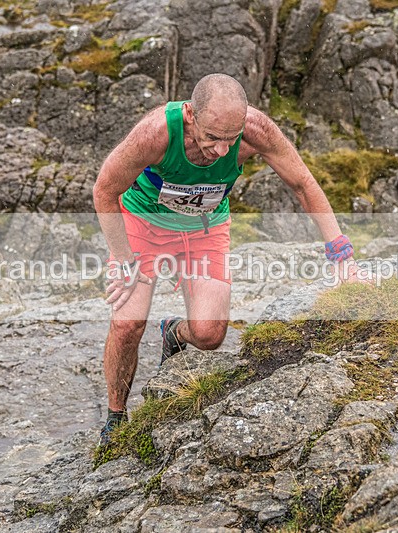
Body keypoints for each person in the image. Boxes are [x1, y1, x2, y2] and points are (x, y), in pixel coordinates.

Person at [93, 73, 365, 446]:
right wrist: (125, 263)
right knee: (127, 324)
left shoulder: (256, 131)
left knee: (209, 335)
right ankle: (116, 416)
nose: (222, 150)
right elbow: (104, 191)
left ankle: (174, 332)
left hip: (204, 227)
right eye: (211, 138)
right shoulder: (155, 133)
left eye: (230, 139)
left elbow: (303, 183)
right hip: (143, 223)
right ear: (190, 114)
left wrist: (342, 256)